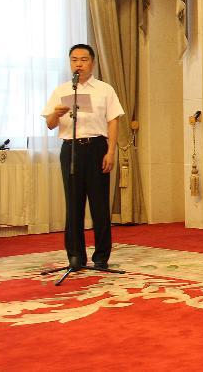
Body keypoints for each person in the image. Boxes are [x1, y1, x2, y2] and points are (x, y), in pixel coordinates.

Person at [42, 44, 124, 270]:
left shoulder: (105, 89)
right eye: (74, 59)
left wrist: (110, 151)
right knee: (74, 204)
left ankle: (101, 257)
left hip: (96, 147)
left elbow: (113, 120)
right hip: (70, 149)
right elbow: (49, 124)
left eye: (83, 59)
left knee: (99, 205)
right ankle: (76, 256)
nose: (78, 64)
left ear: (93, 62)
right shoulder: (61, 90)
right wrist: (55, 114)